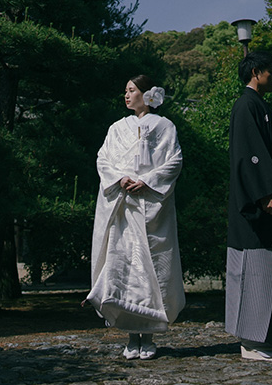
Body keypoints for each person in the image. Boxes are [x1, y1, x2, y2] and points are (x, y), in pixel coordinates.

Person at [85, 75, 185, 360]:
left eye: (131, 90)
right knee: (124, 268)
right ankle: (131, 336)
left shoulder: (165, 126)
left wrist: (149, 181)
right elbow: (103, 159)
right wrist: (121, 178)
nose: (126, 95)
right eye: (125, 91)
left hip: (152, 206)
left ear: (147, 93)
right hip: (123, 205)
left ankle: (150, 336)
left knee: (153, 269)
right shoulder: (117, 128)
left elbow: (174, 160)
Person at [226, 50, 272, 362]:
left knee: (270, 269)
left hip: (269, 201)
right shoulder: (245, 106)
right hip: (256, 207)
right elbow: (248, 156)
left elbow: (265, 151)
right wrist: (263, 194)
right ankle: (252, 343)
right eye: (270, 70)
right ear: (256, 71)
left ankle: (267, 340)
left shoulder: (259, 105)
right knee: (253, 271)